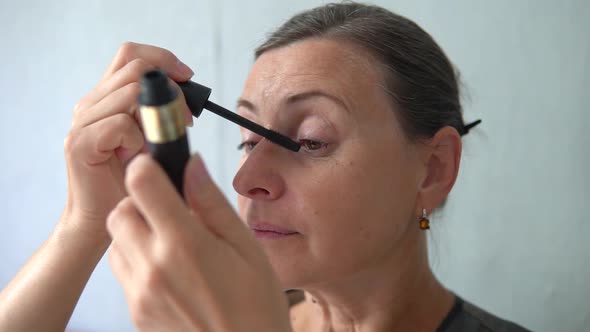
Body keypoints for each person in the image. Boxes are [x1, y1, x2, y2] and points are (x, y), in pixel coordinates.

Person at [0, 2, 531, 331]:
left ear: (433, 169)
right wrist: (86, 222)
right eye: (247, 142)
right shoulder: (208, 311)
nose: (244, 180)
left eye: (310, 140)